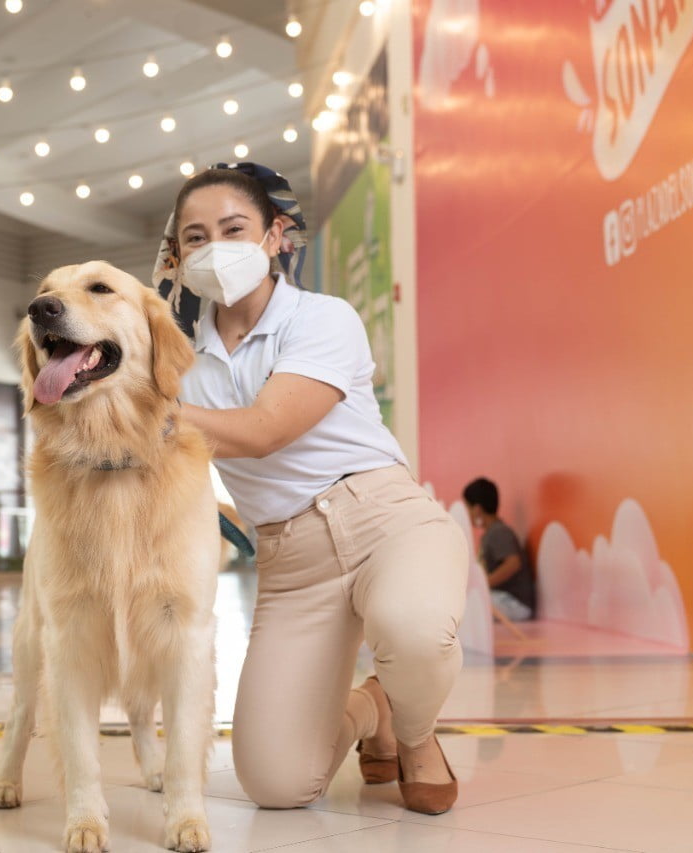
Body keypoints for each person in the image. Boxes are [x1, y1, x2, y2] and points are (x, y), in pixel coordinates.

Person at [155, 163, 469, 815]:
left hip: (386, 521)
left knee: (411, 628)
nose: (215, 247)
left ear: (274, 236)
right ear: (177, 257)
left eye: (233, 228)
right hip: (291, 562)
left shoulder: (325, 318)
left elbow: (268, 428)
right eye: (195, 237)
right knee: (277, 782)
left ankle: (413, 734)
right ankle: (371, 706)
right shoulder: (178, 363)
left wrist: (150, 416)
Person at [463, 477, 536, 621]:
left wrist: (483, 584)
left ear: (477, 510)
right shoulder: (490, 534)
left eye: (468, 508)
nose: (467, 514)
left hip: (515, 604)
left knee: (469, 604)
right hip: (506, 600)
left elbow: (513, 563)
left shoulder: (499, 532)